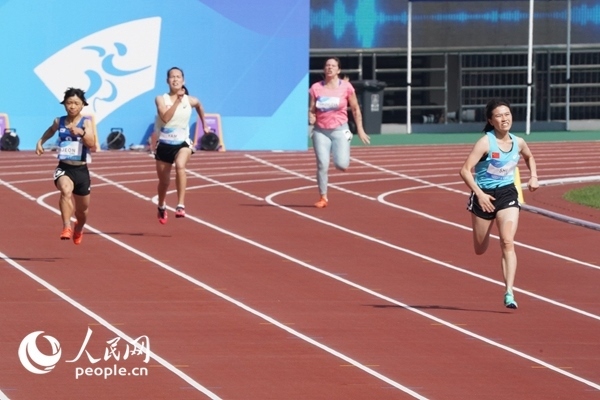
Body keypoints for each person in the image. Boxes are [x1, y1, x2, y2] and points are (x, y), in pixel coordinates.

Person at [459, 99, 539, 309]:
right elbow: (465, 170)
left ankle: (509, 292)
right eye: (499, 116)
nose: (504, 119)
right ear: (490, 120)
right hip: (483, 196)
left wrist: (534, 176)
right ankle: (483, 225)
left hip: (507, 194)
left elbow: (529, 157)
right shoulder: (485, 143)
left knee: (507, 241)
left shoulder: (518, 142)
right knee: (480, 248)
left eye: (507, 114)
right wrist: (479, 194)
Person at [35, 88, 96, 245]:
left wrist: (81, 132)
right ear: (64, 104)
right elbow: (51, 130)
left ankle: (79, 227)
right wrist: (41, 141)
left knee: (82, 211)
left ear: (82, 105)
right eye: (69, 103)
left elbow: (91, 143)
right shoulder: (59, 121)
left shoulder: (86, 123)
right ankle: (66, 226)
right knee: (65, 191)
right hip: (64, 168)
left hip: (81, 170)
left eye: (76, 103)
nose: (72, 106)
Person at [308, 57, 370, 208]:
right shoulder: (316, 88)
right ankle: (323, 197)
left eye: (333, 66)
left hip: (340, 129)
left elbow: (355, 109)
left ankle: (344, 152)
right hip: (321, 131)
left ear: (338, 70)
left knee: (341, 164)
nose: (330, 68)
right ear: (324, 69)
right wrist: (311, 116)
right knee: (322, 164)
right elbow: (311, 109)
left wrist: (360, 129)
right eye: (327, 65)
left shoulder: (346, 87)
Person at [151, 67, 211, 224]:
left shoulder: (190, 100)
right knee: (164, 182)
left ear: (183, 81)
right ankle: (161, 205)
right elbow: (165, 118)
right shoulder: (160, 99)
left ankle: (180, 205)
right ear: (167, 81)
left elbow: (199, 105)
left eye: (178, 77)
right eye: (172, 77)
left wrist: (204, 124)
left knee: (180, 165)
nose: (175, 79)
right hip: (164, 144)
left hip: (182, 143)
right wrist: (177, 101)